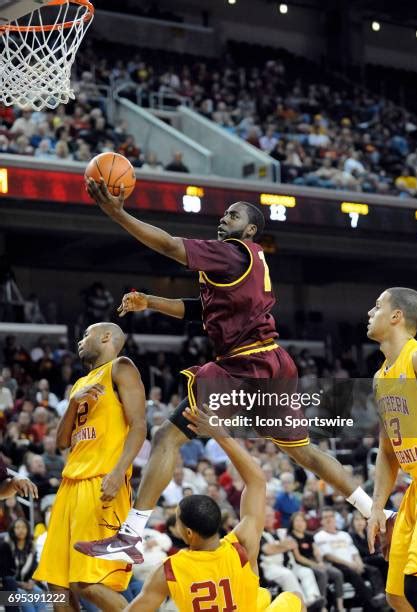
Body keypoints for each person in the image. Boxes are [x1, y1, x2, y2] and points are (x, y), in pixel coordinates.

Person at [76, 178, 376, 562]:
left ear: (250, 229)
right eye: (225, 213)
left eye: (233, 215)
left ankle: (129, 536)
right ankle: (375, 511)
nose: (224, 218)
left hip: (244, 364)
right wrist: (150, 301)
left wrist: (119, 214)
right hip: (266, 361)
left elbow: (169, 244)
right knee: (305, 453)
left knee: (167, 436)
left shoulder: (232, 252)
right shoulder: (242, 263)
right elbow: (201, 312)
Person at [123, 405, 302, 611]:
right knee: (292, 597)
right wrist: (219, 433)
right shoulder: (241, 545)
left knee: (261, 596)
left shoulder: (168, 570)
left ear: (188, 533)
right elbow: (257, 482)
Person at [33, 322, 147, 612]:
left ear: (106, 336)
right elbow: (61, 442)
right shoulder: (81, 384)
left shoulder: (121, 367)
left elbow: (139, 426)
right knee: (57, 584)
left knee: (86, 583)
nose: (80, 341)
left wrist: (118, 471)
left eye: (86, 335)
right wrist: (72, 404)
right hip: (70, 483)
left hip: (101, 481)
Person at [367, 287, 417, 612]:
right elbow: (388, 451)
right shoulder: (380, 378)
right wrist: (376, 506)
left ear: (396, 316)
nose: (370, 313)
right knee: (397, 594)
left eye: (377, 307)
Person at [314, 508, 385, 611]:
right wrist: (349, 564)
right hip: (337, 565)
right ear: (321, 521)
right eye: (325, 517)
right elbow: (327, 556)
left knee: (373, 570)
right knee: (354, 575)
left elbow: (354, 552)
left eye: (331, 516)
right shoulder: (320, 536)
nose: (329, 519)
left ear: (335, 518)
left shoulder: (344, 535)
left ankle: (380, 596)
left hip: (353, 564)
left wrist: (359, 563)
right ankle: (372, 605)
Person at [288, 511, 345, 612]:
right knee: (322, 574)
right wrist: (315, 565)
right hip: (301, 565)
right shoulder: (290, 537)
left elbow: (317, 552)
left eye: (302, 521)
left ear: (305, 523)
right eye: (297, 521)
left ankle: (340, 607)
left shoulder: (309, 536)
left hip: (314, 563)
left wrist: (320, 562)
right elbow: (298, 557)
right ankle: (321, 605)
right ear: (292, 523)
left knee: (337, 574)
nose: (300, 523)